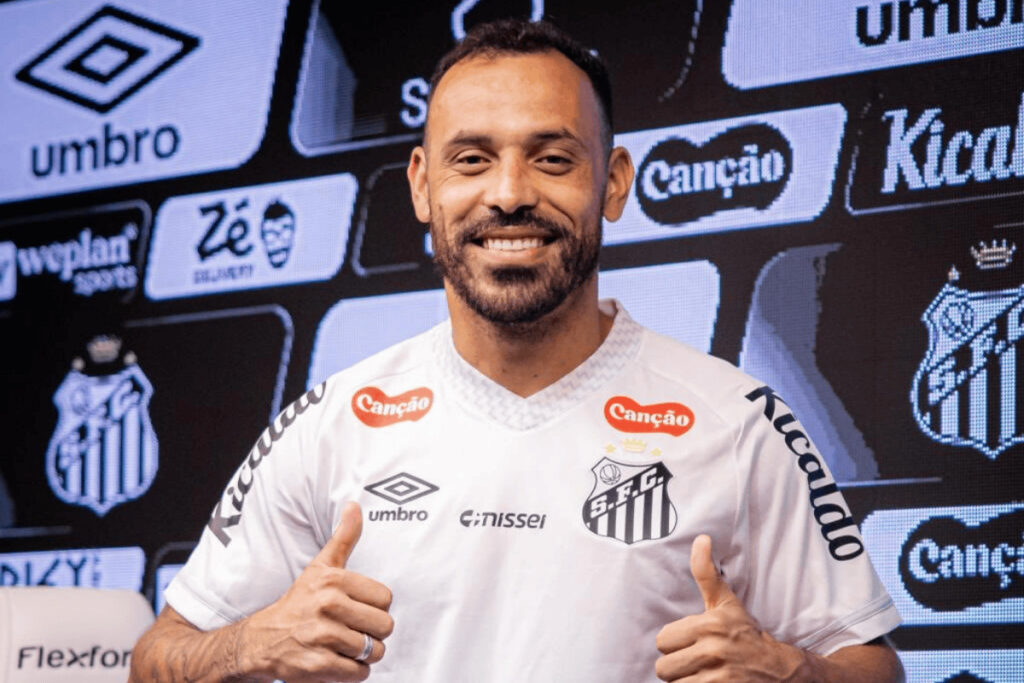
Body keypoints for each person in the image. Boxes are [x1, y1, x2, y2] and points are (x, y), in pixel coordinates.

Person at [130, 19, 904, 682]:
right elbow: (155, 658)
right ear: (422, 186)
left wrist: (791, 671)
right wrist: (249, 644)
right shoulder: (331, 423)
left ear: (614, 181)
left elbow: (875, 666)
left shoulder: (737, 421)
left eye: (553, 157)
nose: (508, 193)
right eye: (471, 159)